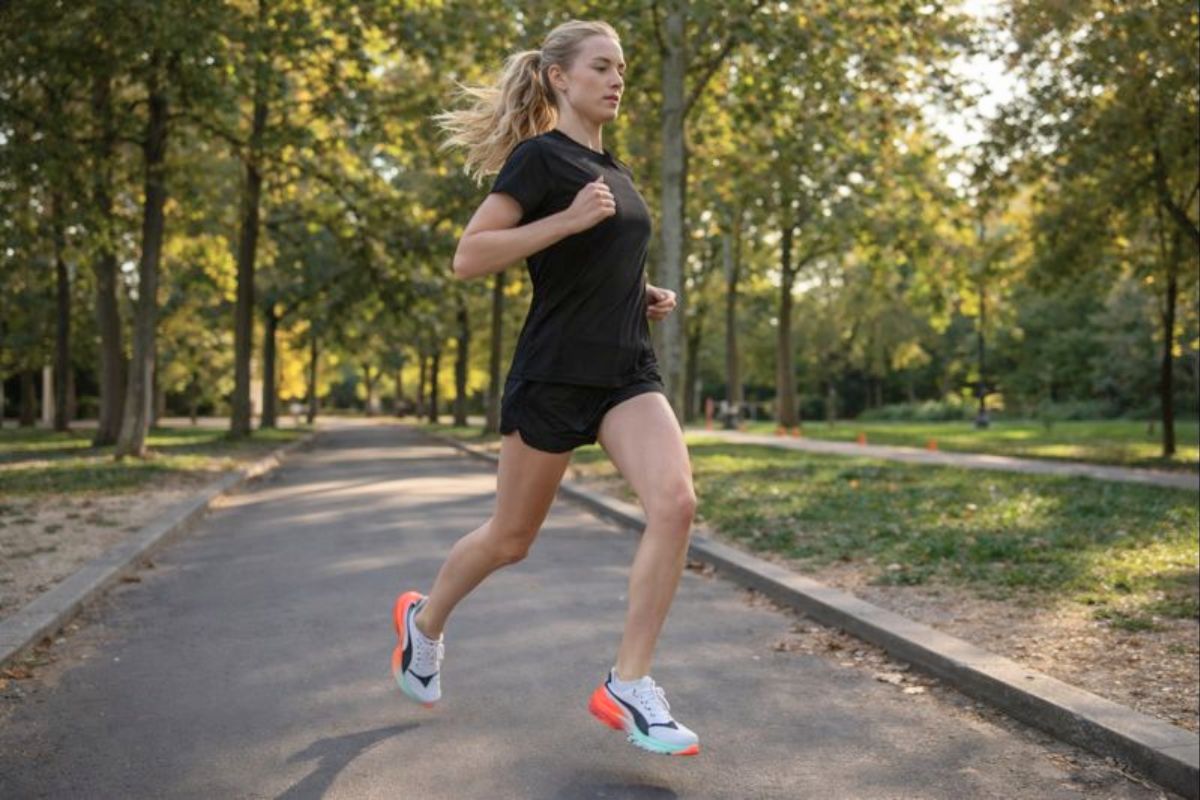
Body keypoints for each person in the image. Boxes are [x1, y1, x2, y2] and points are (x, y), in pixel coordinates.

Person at [391, 19, 700, 757]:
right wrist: (564, 220)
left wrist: (640, 291)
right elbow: (470, 256)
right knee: (511, 539)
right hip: (555, 373)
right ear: (561, 78)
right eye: (602, 67)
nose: (617, 79)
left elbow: (594, 265)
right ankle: (424, 622)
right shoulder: (539, 160)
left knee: (677, 502)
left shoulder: (616, 169)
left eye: (622, 68)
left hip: (626, 369)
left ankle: (630, 681)